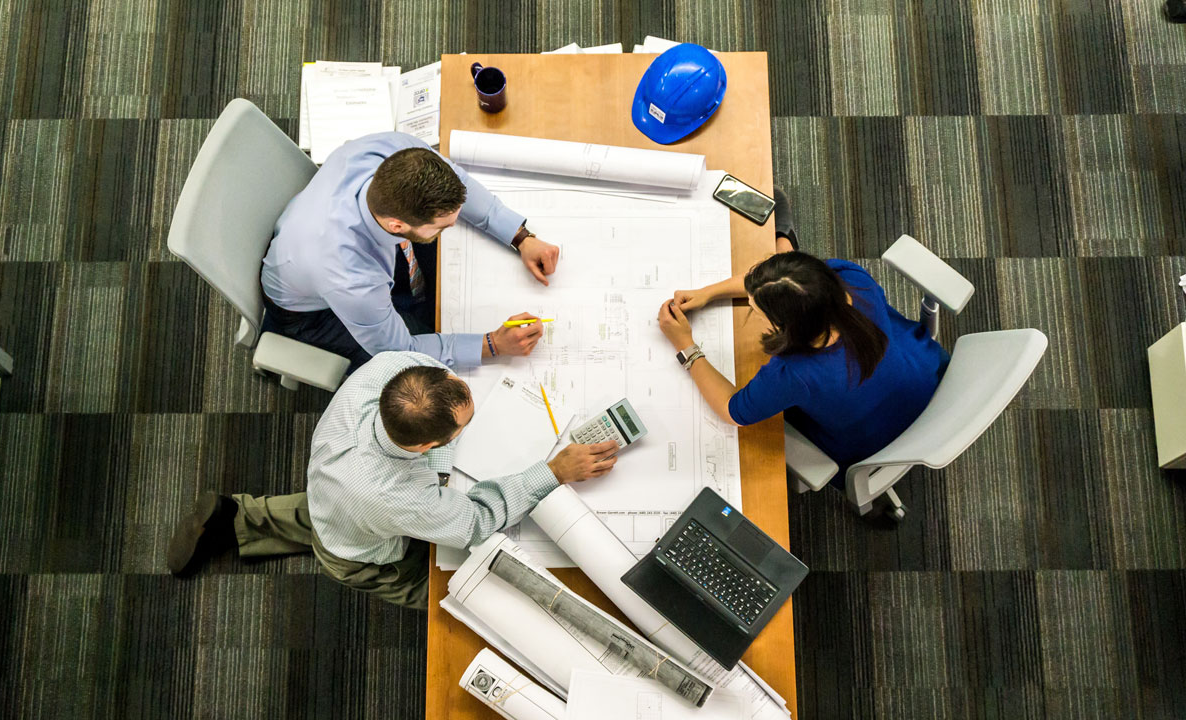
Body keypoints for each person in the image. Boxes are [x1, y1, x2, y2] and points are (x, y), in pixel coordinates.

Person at [166, 351, 618, 609]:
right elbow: (475, 523)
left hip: (333, 488)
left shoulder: (390, 370)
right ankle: (455, 600)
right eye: (463, 426)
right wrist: (552, 471)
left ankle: (236, 517)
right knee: (451, 591)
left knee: (329, 511)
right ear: (426, 446)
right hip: (361, 551)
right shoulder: (395, 497)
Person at [654, 194, 948, 490]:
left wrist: (686, 346)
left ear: (786, 327)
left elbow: (734, 411)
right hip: (926, 376)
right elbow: (777, 282)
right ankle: (785, 240)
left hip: (874, 441)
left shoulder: (794, 374)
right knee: (778, 208)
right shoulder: (849, 278)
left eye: (756, 311)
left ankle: (784, 239)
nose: (752, 312)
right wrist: (709, 292)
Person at [261, 131, 562, 371]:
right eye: (443, 225)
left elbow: (461, 183)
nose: (454, 225)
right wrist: (492, 345)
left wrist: (520, 236)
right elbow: (400, 350)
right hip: (311, 313)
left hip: (316, 241)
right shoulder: (350, 277)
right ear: (397, 225)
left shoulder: (394, 150)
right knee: (422, 372)